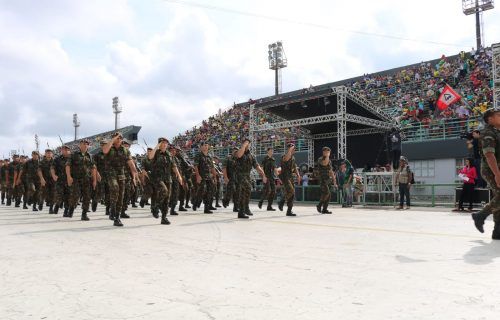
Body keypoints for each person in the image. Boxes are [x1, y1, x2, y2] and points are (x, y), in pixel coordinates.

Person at [472, 109, 500, 240]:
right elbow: (489, 155)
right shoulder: (488, 132)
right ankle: (481, 215)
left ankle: (498, 231)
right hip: (491, 169)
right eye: (498, 115)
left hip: (496, 169)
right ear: (490, 119)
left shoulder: (496, 132)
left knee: (499, 198)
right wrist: (497, 174)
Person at [103, 133, 139, 226]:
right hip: (111, 173)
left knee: (121, 196)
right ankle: (112, 208)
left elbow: (130, 162)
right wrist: (113, 139)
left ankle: (117, 217)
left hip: (121, 173)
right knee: (115, 188)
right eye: (117, 138)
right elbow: (105, 150)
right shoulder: (109, 147)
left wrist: (135, 172)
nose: (118, 139)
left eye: (120, 138)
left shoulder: (125, 150)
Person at [149, 137, 183, 224]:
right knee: (164, 191)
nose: (164, 144)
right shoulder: (156, 153)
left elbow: (173, 166)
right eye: (162, 143)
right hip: (157, 178)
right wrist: (157, 146)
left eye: (166, 143)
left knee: (167, 199)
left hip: (168, 178)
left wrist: (179, 176)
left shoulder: (168, 154)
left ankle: (164, 217)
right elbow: (150, 156)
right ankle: (155, 206)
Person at [234, 138, 267, 219]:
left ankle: (245, 208)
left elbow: (257, 166)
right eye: (246, 143)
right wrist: (244, 145)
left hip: (247, 175)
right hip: (239, 175)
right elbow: (239, 155)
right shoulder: (238, 152)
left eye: (249, 143)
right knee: (244, 192)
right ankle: (241, 211)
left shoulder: (251, 155)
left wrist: (263, 175)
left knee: (247, 192)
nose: (248, 144)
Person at [66, 139, 97, 220]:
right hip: (76, 179)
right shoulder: (73, 155)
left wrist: (94, 180)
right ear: (80, 145)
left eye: (87, 144)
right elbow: (68, 166)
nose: (85, 145)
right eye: (83, 143)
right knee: (75, 196)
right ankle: (71, 209)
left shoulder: (90, 156)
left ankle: (84, 214)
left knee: (87, 197)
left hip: (87, 179)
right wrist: (69, 177)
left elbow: (93, 168)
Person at [192, 142, 217, 214]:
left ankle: (206, 208)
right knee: (202, 190)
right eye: (204, 145)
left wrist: (214, 177)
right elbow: (196, 166)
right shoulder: (198, 155)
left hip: (209, 176)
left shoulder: (209, 156)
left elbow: (212, 167)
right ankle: (196, 201)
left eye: (207, 145)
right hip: (201, 175)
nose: (206, 147)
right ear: (201, 147)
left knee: (209, 191)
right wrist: (197, 176)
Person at [278, 143, 301, 216]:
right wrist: (290, 149)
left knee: (292, 194)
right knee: (291, 191)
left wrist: (298, 175)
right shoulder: (284, 156)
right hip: (285, 176)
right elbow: (287, 158)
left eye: (294, 149)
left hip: (290, 176)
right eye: (293, 148)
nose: (294, 150)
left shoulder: (293, 157)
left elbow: (295, 166)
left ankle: (289, 211)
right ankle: (281, 201)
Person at [314, 146, 337, 214]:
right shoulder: (320, 159)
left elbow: (331, 170)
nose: (327, 152)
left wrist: (334, 180)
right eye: (325, 151)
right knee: (327, 193)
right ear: (323, 152)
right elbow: (324, 163)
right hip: (322, 179)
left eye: (328, 151)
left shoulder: (329, 160)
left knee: (328, 195)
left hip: (328, 179)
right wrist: (327, 156)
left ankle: (324, 209)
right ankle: (319, 205)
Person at [52, 146, 71, 215]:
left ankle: (66, 211)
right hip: (60, 180)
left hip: (69, 180)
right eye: (63, 150)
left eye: (66, 149)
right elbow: (52, 167)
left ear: (69, 150)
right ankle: (57, 206)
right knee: (59, 194)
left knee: (68, 196)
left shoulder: (72, 158)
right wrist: (54, 175)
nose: (64, 151)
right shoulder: (57, 159)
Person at [222, 147, 239, 212]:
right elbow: (224, 168)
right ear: (232, 151)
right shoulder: (228, 158)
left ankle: (236, 207)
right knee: (231, 190)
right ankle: (225, 199)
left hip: (237, 178)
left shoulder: (238, 159)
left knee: (237, 193)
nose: (236, 152)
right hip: (230, 177)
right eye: (235, 151)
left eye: (237, 151)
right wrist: (225, 177)